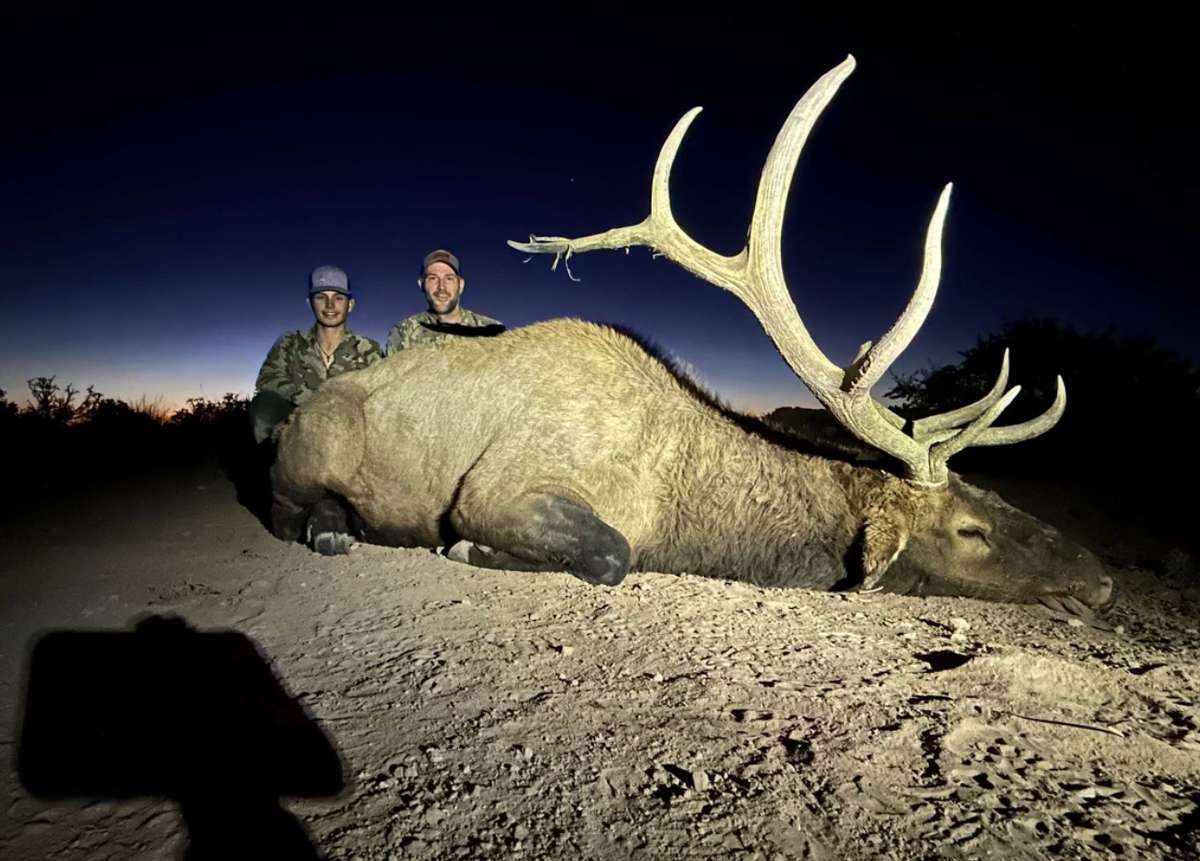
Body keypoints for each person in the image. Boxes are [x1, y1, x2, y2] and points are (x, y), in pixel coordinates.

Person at [250, 265, 382, 444]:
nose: (330, 306)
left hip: (350, 431)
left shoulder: (368, 348)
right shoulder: (290, 342)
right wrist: (311, 400)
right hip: (299, 428)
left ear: (350, 305)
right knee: (264, 407)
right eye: (321, 297)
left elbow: (381, 394)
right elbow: (267, 380)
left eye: (338, 298)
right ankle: (274, 467)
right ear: (310, 302)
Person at [385, 249, 504, 353]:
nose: (441, 287)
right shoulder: (403, 332)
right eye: (432, 278)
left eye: (449, 278)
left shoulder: (493, 331)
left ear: (461, 285)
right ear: (421, 285)